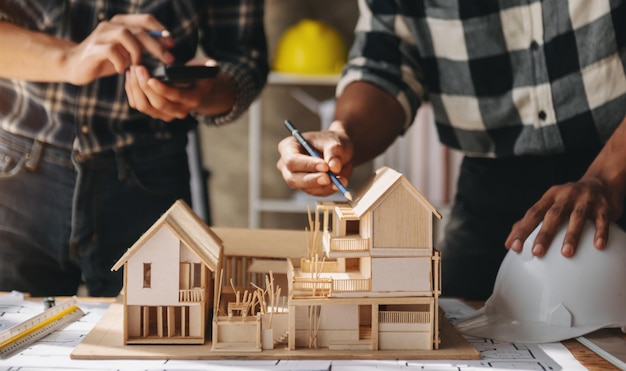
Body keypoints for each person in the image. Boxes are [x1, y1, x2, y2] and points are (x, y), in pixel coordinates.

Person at [276, 1, 626, 300]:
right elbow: (385, 61)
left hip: (617, 161)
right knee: (458, 318)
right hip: (492, 186)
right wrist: (343, 132)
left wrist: (609, 173)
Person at [0, 1, 268, 297]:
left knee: (161, 334)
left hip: (150, 180)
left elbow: (246, 61)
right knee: (13, 338)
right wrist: (69, 59)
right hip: (16, 179)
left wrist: (204, 94)